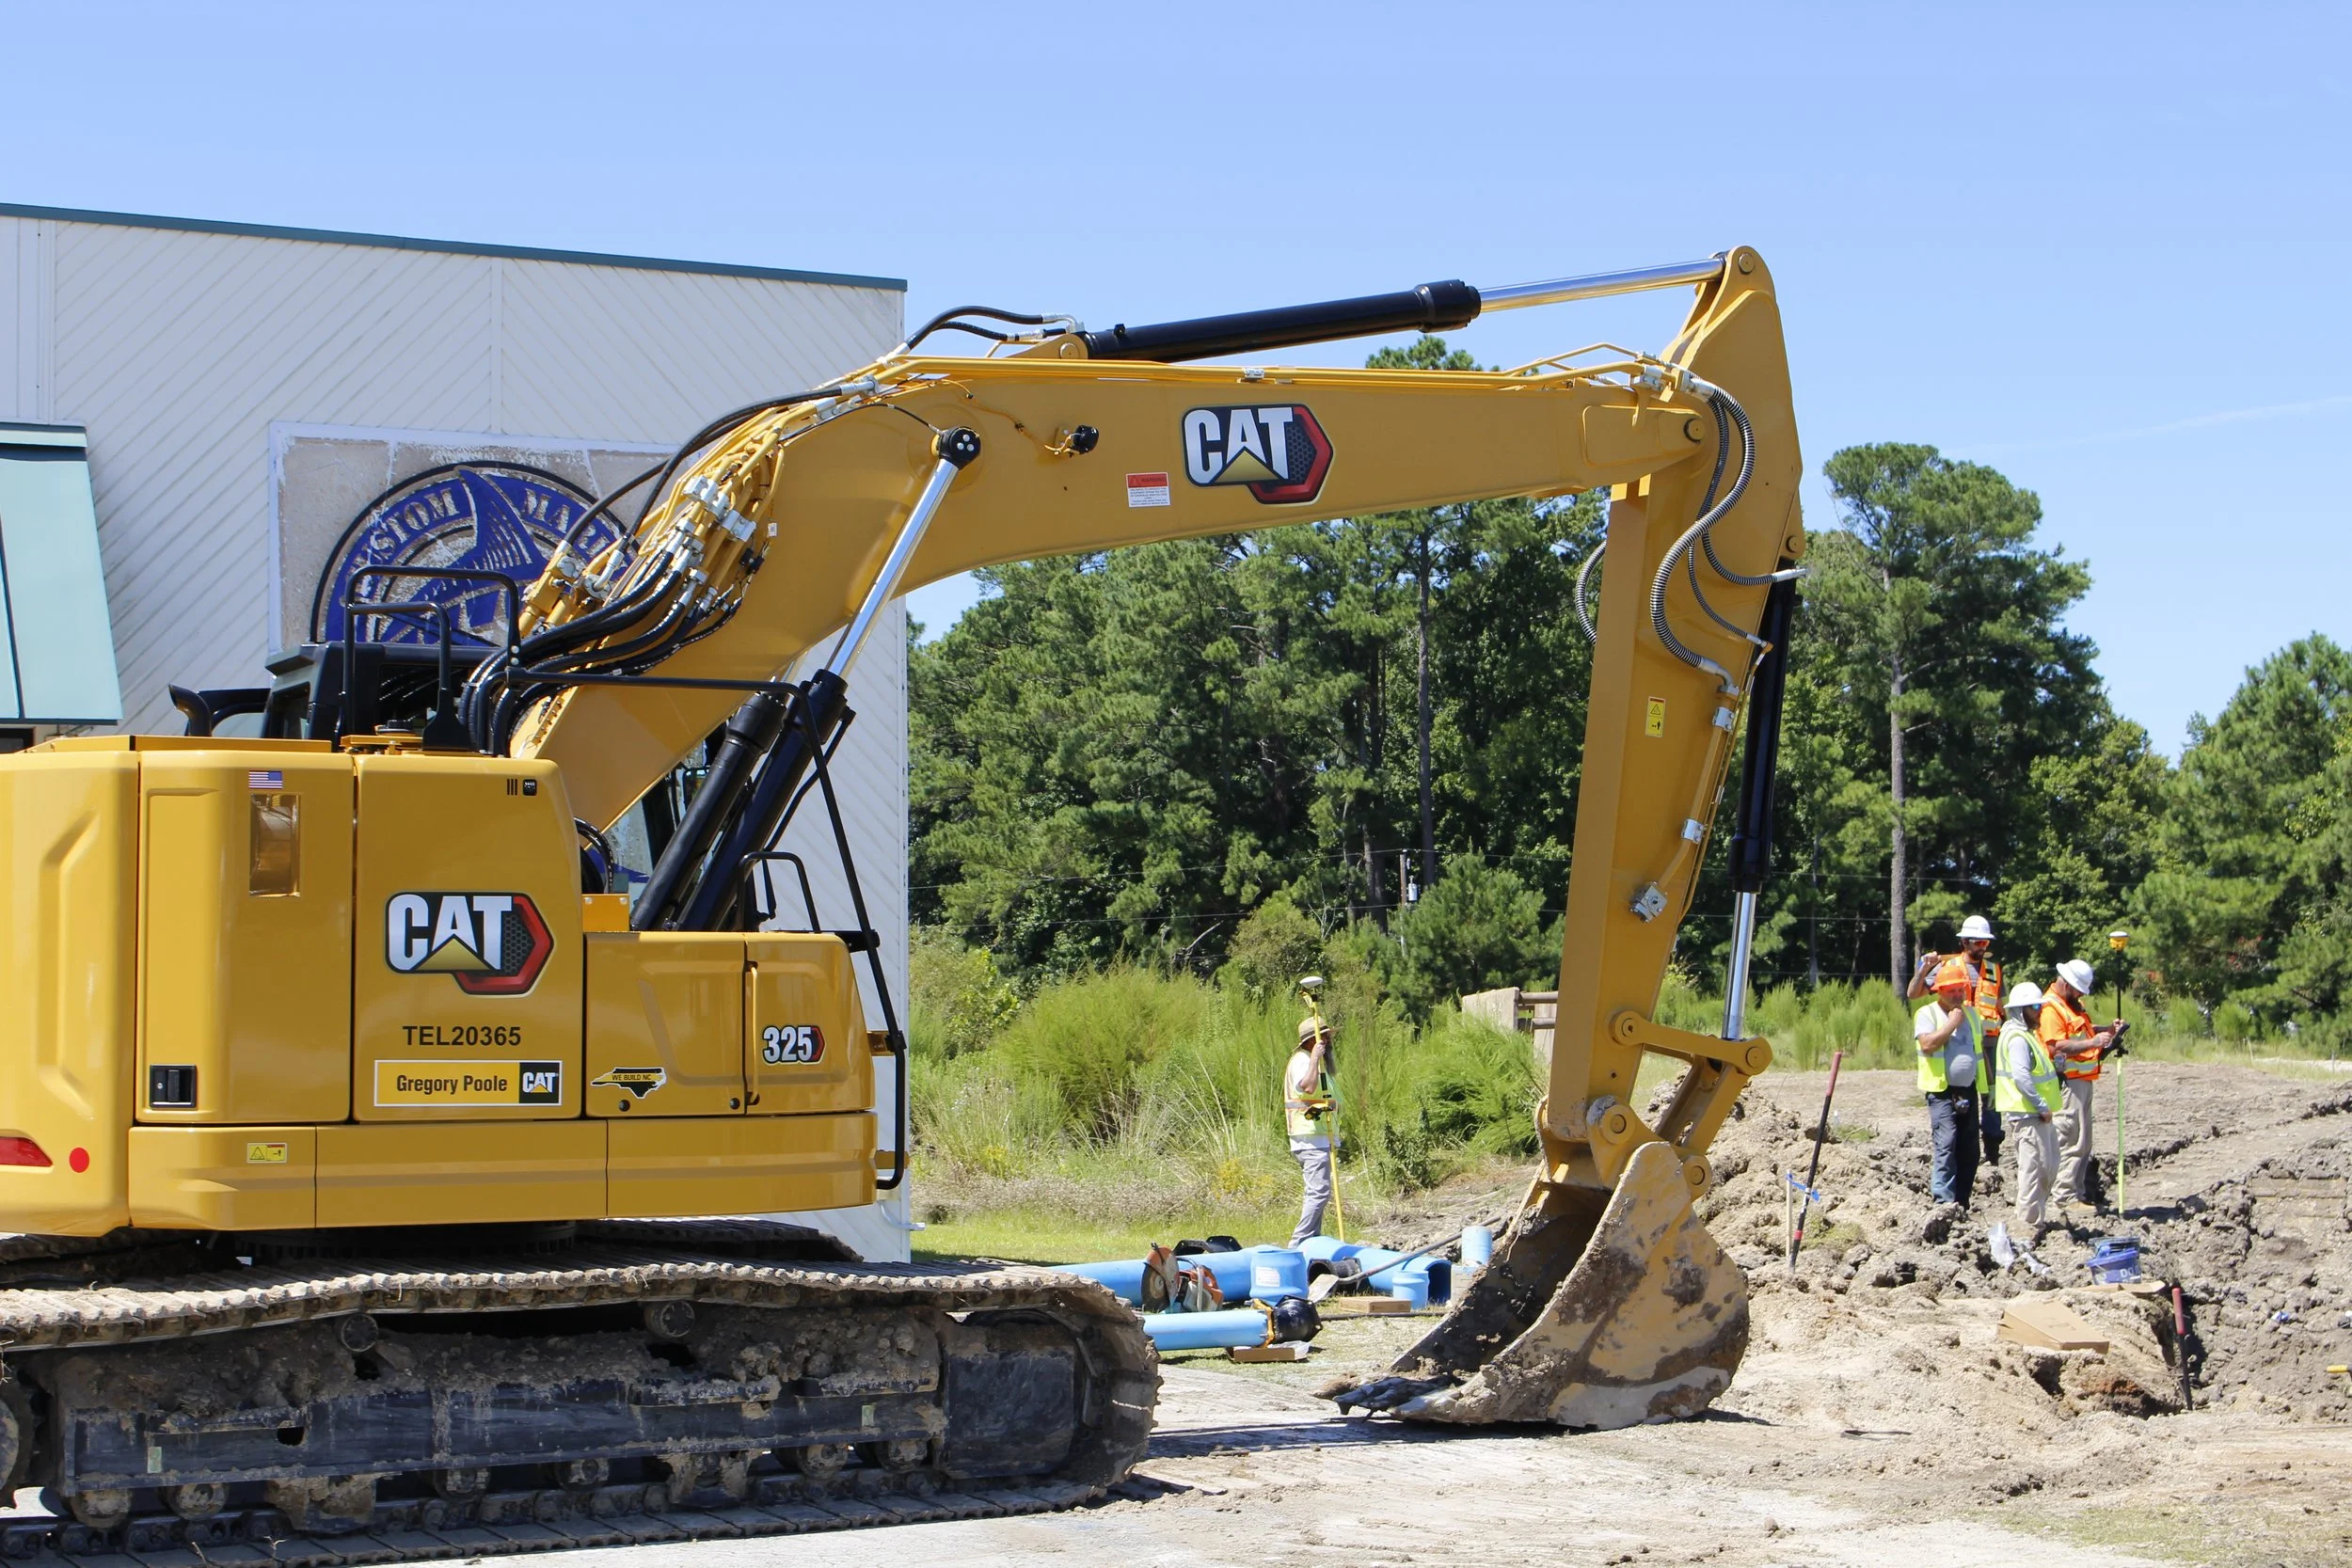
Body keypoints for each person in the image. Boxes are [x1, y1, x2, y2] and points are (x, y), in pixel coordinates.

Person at [1907, 915, 2006, 1185]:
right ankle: (1948, 1186)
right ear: (1964, 942)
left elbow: (2001, 1006)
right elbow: (1914, 994)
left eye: (1986, 941)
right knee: (1952, 1129)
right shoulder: (1949, 968)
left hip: (1987, 1038)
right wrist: (1924, 969)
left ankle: (1992, 1150)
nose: (1983, 946)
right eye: (1978, 941)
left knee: (1991, 1097)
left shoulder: (1994, 970)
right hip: (1956, 1035)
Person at [2042, 958, 2118, 1212]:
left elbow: (2081, 1034)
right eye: (2078, 989)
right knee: (2070, 1139)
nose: (2080, 994)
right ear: (2065, 983)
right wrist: (2094, 1043)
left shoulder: (2072, 1006)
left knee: (2083, 1142)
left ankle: (2077, 1193)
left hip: (2082, 1082)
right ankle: (2064, 1197)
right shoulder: (2051, 1007)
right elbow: (2056, 1046)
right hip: (2068, 1084)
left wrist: (2106, 1032)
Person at [1993, 981, 2064, 1236]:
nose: (2040, 1011)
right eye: (2035, 1007)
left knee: (2047, 1166)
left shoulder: (2026, 1036)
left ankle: (2034, 1219)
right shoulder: (2016, 1038)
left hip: (2035, 1114)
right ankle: (2028, 1225)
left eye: (2040, 1006)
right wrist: (2041, 1105)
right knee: (2034, 1170)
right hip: (2028, 1114)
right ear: (2021, 1010)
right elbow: (2021, 1077)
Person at [1914, 958, 1984, 1209]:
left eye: (1960, 990)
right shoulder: (1927, 1013)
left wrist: (1988, 1089)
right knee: (1946, 1144)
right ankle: (1943, 1202)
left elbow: (1979, 1051)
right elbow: (1928, 1044)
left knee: (1970, 1149)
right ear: (1939, 991)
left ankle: (1962, 1202)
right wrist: (1952, 1023)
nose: (1957, 995)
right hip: (1942, 1091)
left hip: (1969, 1090)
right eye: (1951, 990)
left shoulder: (1973, 1015)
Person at [1285, 1015, 1337, 1248]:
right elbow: (1307, 1087)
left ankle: (1311, 1245)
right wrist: (1315, 1058)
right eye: (1323, 1037)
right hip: (1309, 1138)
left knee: (1317, 1193)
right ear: (1310, 1041)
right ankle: (1298, 1244)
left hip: (1317, 1138)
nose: (1327, 1041)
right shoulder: (1303, 1060)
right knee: (1319, 1193)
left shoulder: (1314, 1062)